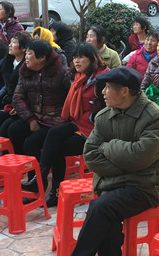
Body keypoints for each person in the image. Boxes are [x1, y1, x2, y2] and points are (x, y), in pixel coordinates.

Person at [48, 67, 159, 256]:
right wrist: (123, 159)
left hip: (145, 186)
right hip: (113, 184)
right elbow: (91, 156)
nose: (102, 93)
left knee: (101, 207)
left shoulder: (156, 117)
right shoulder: (104, 116)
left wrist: (110, 146)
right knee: (107, 217)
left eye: (107, 88)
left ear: (125, 91)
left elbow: (140, 157)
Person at [40, 43, 108, 206]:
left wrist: (91, 117)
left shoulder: (101, 79)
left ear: (92, 59)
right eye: (75, 57)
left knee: (57, 149)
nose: (76, 61)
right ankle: (41, 176)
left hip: (94, 131)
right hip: (78, 123)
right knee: (53, 134)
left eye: (81, 57)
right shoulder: (80, 77)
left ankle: (53, 191)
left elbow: (108, 110)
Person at [0, 39, 71, 171]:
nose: (26, 57)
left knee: (32, 143)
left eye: (29, 54)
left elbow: (72, 98)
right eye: (26, 53)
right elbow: (17, 97)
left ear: (42, 57)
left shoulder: (61, 72)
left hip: (55, 120)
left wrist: (64, 119)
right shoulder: (25, 71)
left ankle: (40, 175)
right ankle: (23, 168)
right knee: (14, 129)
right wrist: (31, 119)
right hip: (35, 116)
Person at [0, 31, 31, 137]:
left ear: (24, 48)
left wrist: (21, 107)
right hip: (8, 103)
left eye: (14, 42)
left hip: (21, 106)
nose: (9, 45)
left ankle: (5, 146)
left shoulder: (28, 66)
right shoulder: (8, 63)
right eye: (10, 42)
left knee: (7, 127)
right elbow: (7, 86)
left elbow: (29, 90)